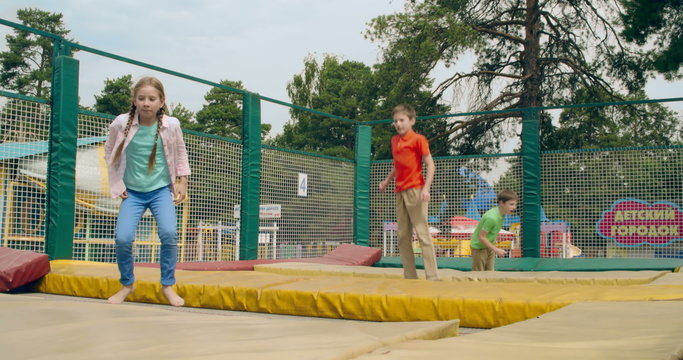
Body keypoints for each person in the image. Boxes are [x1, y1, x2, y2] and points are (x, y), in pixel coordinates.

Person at [104, 76, 190, 306]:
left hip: (160, 189)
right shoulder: (121, 123)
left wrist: (182, 182)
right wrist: (116, 182)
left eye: (152, 99)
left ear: (161, 101)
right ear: (134, 100)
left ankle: (168, 286)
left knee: (169, 234)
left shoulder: (171, 125)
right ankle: (127, 285)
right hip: (132, 192)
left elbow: (180, 153)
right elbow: (109, 150)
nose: (146, 103)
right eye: (141, 98)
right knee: (122, 238)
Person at [379, 104, 439, 281]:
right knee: (403, 235)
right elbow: (397, 165)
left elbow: (430, 165)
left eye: (402, 120)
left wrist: (426, 189)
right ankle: (410, 275)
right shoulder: (394, 141)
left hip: (416, 190)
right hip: (400, 190)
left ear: (412, 120)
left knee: (422, 232)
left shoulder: (418, 139)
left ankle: (432, 275)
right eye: (395, 121)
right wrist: (386, 182)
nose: (398, 124)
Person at [470, 190, 518, 271]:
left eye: (515, 204)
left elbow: (491, 231)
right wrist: (496, 250)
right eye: (511, 204)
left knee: (490, 274)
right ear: (502, 203)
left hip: (489, 246)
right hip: (479, 248)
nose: (514, 207)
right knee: (478, 275)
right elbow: (481, 237)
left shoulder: (501, 214)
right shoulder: (492, 217)